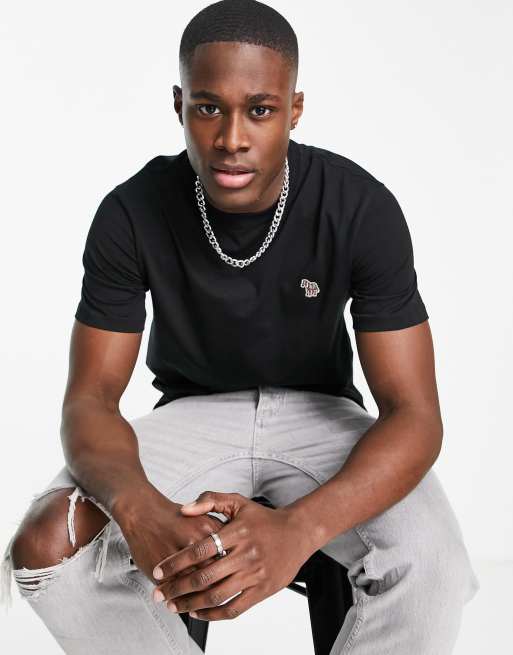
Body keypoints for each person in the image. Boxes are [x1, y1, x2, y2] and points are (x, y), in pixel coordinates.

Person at [0, 0, 480, 653]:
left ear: (293, 109)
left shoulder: (358, 206)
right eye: (207, 108)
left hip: (322, 418)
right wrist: (140, 510)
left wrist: (299, 530)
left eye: (259, 109)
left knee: (433, 564)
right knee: (47, 541)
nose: (231, 137)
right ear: (179, 105)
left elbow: (415, 413)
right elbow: (89, 399)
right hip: (191, 417)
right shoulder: (131, 211)